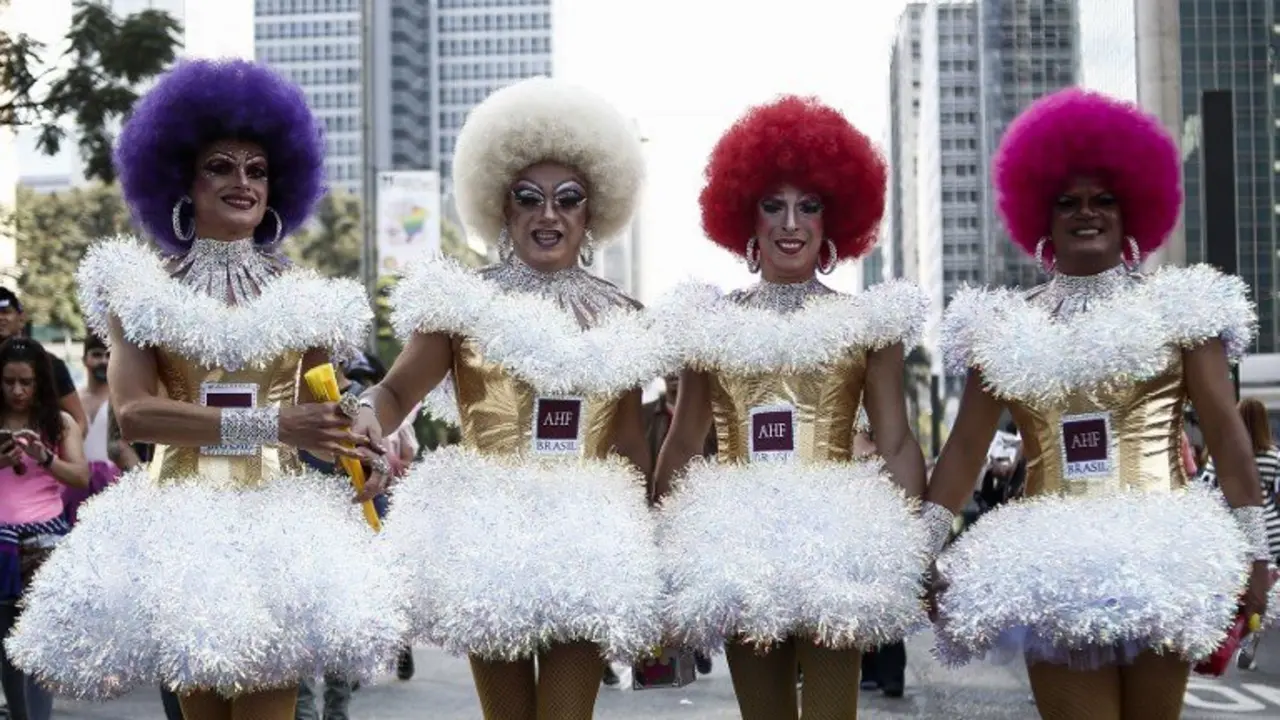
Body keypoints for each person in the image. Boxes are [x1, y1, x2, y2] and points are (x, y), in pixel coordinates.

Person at [4, 59, 405, 720]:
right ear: (182, 178)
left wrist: (361, 443)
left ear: (279, 186)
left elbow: (322, 411)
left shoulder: (305, 298)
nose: (242, 181)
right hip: (180, 527)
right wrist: (275, 425)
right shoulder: (141, 292)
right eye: (221, 165)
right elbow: (134, 416)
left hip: (275, 531)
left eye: (257, 169)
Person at [926, 88, 1270, 719]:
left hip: (1164, 549)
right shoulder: (1002, 325)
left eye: (1103, 198)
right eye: (1068, 201)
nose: (1087, 213)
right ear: (1041, 216)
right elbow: (963, 452)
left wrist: (1257, 553)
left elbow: (1226, 433)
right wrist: (918, 551)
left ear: (1132, 208)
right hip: (1048, 562)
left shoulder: (1180, 309)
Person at [353, 77, 665, 720]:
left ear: (593, 212)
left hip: (590, 535)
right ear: (503, 207)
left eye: (568, 199)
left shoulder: (626, 316)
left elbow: (630, 443)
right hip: (485, 533)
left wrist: (652, 541)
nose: (548, 215)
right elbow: (395, 389)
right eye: (530, 198)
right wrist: (363, 417)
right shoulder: (461, 305)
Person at [650, 95, 933, 720]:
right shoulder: (710, 326)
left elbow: (895, 443)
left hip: (840, 537)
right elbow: (684, 442)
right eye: (772, 205)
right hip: (737, 538)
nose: (791, 223)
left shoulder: (867, 324)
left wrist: (917, 546)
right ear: (743, 217)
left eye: (809, 206)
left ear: (833, 221)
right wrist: (663, 553)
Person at [0, 338, 90, 720]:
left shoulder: (60, 422)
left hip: (46, 540)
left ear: (41, 382)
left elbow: (80, 476)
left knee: (40, 647)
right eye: (8, 381)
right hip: (2, 543)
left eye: (27, 382)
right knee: (8, 648)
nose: (18, 390)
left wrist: (45, 457)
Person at [0, 288, 88, 435]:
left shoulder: (49, 364)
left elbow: (79, 421)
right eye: (8, 381)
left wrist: (57, 452)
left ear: (21, 318)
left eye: (5, 311)